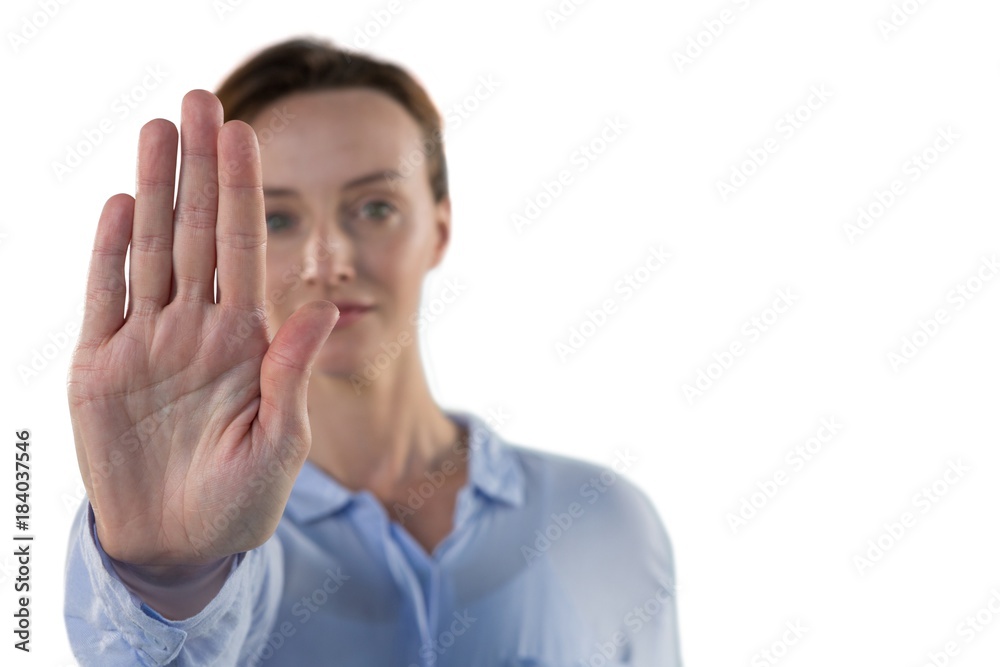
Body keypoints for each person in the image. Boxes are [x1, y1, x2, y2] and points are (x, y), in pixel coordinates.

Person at [63, 36, 683, 666]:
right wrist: (168, 573)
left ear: (439, 229)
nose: (328, 260)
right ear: (228, 243)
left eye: (375, 207)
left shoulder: (606, 522)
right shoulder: (227, 542)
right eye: (277, 219)